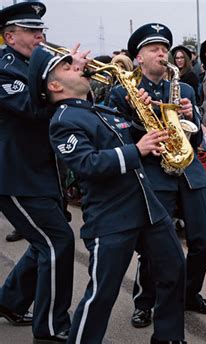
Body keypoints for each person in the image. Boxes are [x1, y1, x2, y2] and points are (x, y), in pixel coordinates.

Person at [28, 46, 186, 344]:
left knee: (173, 270)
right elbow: (88, 163)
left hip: (147, 209)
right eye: (67, 67)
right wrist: (136, 150)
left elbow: (137, 136)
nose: (79, 67)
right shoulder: (63, 121)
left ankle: (169, 337)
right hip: (111, 216)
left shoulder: (101, 110)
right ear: (54, 86)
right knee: (103, 292)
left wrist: (148, 112)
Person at [109, 23, 206, 327]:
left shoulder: (183, 88)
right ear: (139, 59)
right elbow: (115, 138)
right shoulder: (123, 92)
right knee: (154, 246)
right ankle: (144, 301)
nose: (161, 53)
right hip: (152, 173)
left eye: (164, 49)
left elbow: (195, 138)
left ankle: (187, 293)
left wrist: (190, 115)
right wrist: (136, 116)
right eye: (153, 49)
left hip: (188, 171)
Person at [0, 3, 76, 343]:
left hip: (41, 174)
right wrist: (65, 82)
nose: (41, 37)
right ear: (10, 36)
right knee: (57, 241)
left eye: (41, 31)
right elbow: (32, 109)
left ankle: (10, 301)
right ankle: (50, 325)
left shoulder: (34, 66)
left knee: (43, 240)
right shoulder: (4, 69)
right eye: (33, 32)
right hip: (15, 175)